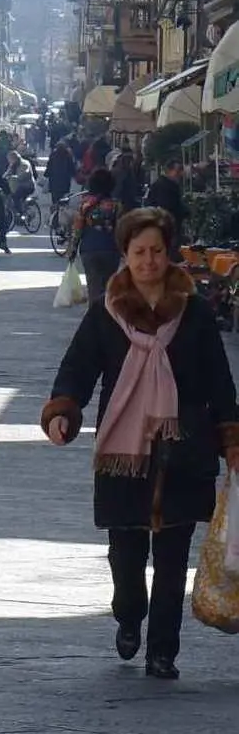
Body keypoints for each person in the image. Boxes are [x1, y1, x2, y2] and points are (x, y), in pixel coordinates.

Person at [42, 210, 239, 680]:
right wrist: (63, 412)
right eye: (138, 252)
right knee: (126, 558)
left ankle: (162, 651)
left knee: (172, 562)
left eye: (155, 251)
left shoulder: (195, 312)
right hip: (123, 456)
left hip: (183, 450)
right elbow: (78, 369)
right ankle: (129, 614)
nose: (148, 261)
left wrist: (231, 435)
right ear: (125, 256)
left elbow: (219, 380)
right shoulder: (106, 311)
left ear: (167, 252)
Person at [68, 167, 121, 306]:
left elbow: (78, 227)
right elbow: (122, 227)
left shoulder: (85, 204)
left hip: (89, 249)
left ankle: (95, 317)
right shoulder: (116, 205)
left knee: (94, 288)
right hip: (111, 249)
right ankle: (108, 315)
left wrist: (72, 249)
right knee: (109, 287)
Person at [145, 156, 187, 248]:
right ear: (169, 170)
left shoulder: (169, 184)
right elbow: (166, 206)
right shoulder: (163, 186)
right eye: (178, 170)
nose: (180, 173)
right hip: (166, 226)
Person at [46, 137, 76, 210]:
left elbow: (49, 166)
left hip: (54, 180)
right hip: (65, 180)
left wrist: (47, 174)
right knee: (64, 197)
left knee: (55, 197)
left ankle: (54, 213)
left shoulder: (53, 154)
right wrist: (74, 174)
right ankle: (63, 211)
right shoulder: (68, 155)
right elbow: (71, 166)